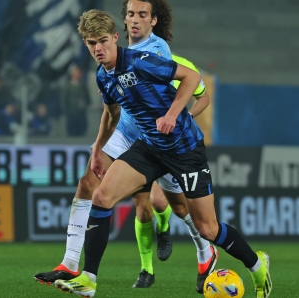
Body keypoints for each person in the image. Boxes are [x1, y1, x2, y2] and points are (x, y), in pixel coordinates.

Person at [53, 10, 272, 298]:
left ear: (116, 38)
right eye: (91, 43)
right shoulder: (103, 76)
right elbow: (110, 112)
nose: (98, 49)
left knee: (208, 228)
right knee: (101, 196)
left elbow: (191, 78)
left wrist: (172, 114)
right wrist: (97, 148)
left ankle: (258, 266)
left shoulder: (141, 62)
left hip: (185, 148)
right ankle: (89, 279)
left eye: (103, 41)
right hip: (150, 146)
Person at [34, 0, 216, 292]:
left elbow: (187, 89)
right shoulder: (112, 58)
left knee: (177, 206)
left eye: (142, 15)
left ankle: (205, 250)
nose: (135, 20)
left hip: (155, 136)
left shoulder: (157, 51)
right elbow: (112, 106)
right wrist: (109, 77)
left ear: (153, 20)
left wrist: (177, 119)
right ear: (123, 21)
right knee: (89, 185)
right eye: (130, 14)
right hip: (126, 130)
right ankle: (70, 263)